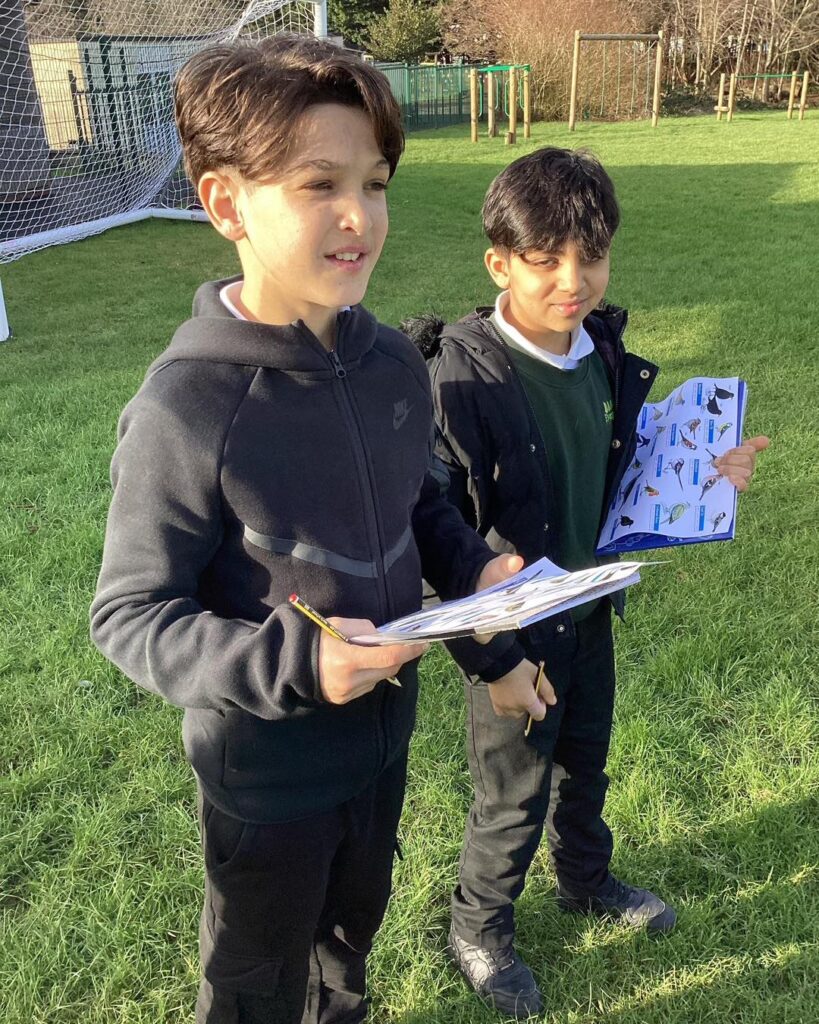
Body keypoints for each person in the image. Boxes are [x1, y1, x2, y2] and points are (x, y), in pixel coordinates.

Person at [89, 36, 540, 1024]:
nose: (359, 216)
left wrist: (477, 565)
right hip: (266, 774)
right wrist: (299, 665)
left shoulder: (386, 360)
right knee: (257, 976)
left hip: (380, 749)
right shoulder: (190, 405)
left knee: (348, 941)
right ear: (225, 203)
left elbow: (416, 502)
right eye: (319, 183)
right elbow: (130, 615)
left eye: (375, 182)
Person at [404, 146, 769, 1018]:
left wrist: (705, 469)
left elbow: (626, 460)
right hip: (510, 634)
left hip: (589, 610)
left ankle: (586, 881)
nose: (574, 279)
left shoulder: (599, 347)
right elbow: (431, 536)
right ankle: (480, 930)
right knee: (512, 792)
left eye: (592, 255)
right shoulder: (459, 377)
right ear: (499, 262)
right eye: (546, 259)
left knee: (585, 766)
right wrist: (491, 661)